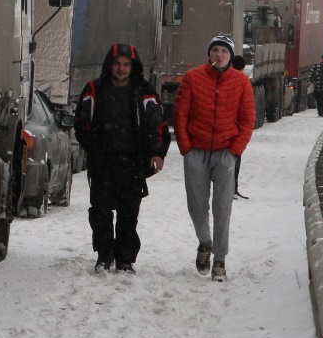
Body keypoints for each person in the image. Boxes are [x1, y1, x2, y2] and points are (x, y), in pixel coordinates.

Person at [74, 43, 170, 273]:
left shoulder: (144, 92)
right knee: (100, 212)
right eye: (117, 64)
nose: (121, 68)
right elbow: (81, 123)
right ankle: (104, 256)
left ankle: (125, 259)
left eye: (126, 64)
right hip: (103, 164)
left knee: (129, 213)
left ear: (133, 67)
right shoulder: (94, 89)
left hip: (133, 163)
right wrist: (94, 150)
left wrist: (157, 152)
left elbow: (157, 123)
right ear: (110, 65)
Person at [174, 34, 255, 283]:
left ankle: (219, 259)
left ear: (230, 56)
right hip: (196, 151)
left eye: (224, 52)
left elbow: (247, 119)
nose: (219, 55)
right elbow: (180, 115)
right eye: (215, 50)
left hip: (225, 153)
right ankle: (205, 244)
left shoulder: (241, 82)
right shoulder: (193, 78)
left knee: (222, 208)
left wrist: (234, 151)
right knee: (197, 206)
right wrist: (186, 148)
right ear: (209, 53)